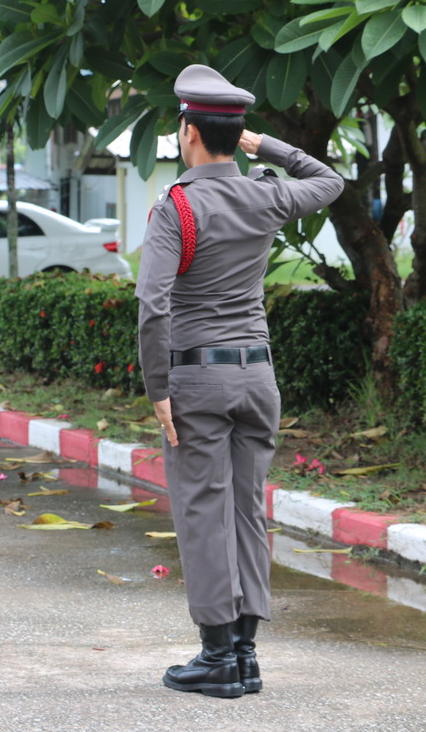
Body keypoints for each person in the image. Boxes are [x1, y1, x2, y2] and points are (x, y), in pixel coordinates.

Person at [136, 64, 344, 698]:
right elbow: (329, 180)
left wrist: (158, 390)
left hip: (198, 381)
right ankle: (246, 655)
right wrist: (269, 148)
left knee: (203, 511)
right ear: (234, 133)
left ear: (188, 133)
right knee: (247, 511)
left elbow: (153, 304)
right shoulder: (265, 194)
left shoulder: (178, 205)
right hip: (259, 378)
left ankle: (217, 656)